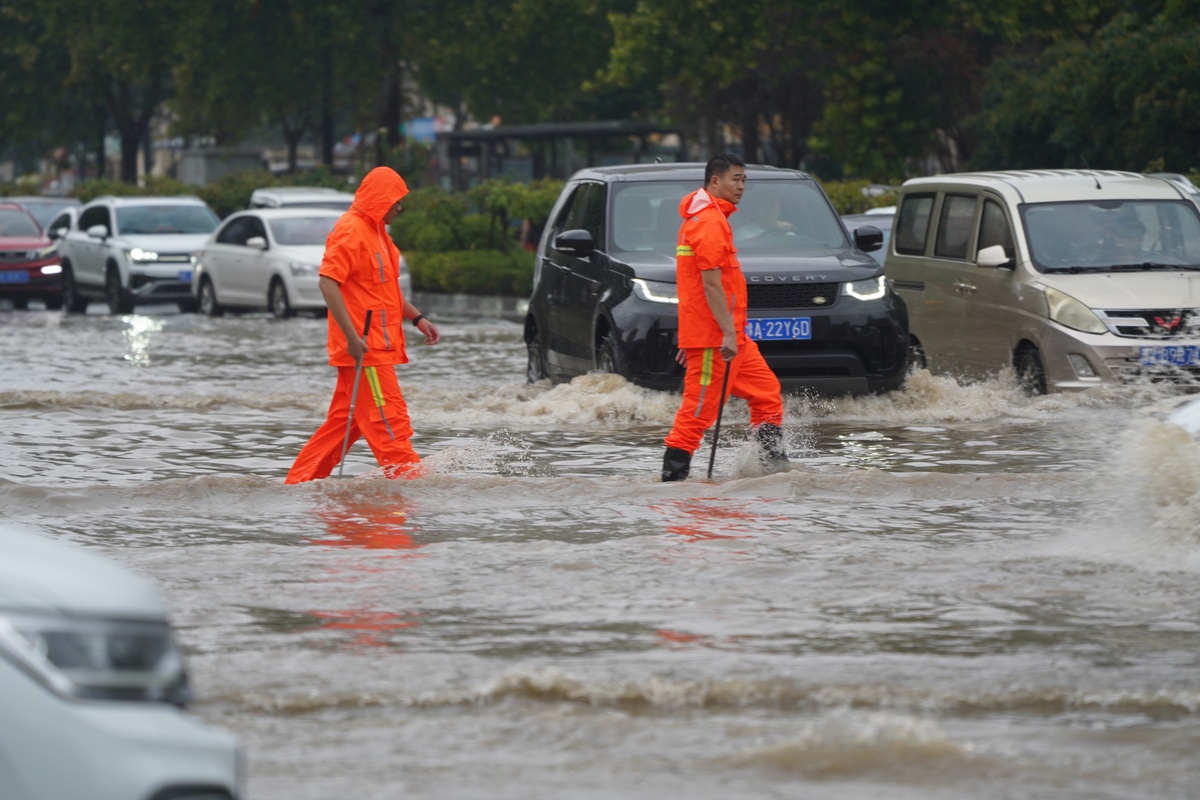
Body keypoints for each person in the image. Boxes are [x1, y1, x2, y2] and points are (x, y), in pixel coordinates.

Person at [286, 166, 440, 484]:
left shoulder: (378, 233)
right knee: (390, 427)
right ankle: (414, 495)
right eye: (396, 200)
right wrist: (352, 338)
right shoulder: (351, 231)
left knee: (342, 426)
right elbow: (328, 284)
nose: (400, 207)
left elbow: (384, 292)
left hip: (376, 349)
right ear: (379, 198)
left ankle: (297, 488)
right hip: (365, 352)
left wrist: (417, 318)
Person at [661, 154, 787, 482]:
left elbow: (695, 285)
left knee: (767, 394)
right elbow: (710, 283)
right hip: (716, 339)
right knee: (698, 413)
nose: (742, 186)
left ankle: (774, 473)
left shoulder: (715, 217)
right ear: (714, 182)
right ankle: (672, 487)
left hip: (730, 336)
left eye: (744, 180)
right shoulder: (708, 221)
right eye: (735, 179)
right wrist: (721, 335)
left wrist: (731, 334)